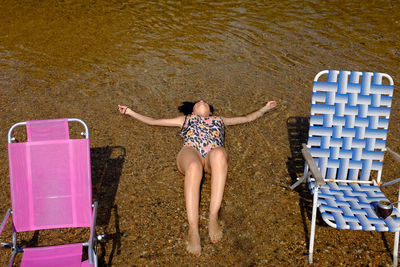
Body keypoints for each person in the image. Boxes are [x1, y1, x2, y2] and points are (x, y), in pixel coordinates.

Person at [118, 99, 277, 256]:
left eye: (205, 102)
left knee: (220, 154)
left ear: (211, 112)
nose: (201, 101)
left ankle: (213, 215)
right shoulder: (185, 119)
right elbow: (154, 121)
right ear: (193, 111)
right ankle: (193, 228)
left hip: (211, 157)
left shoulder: (219, 120)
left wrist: (265, 109)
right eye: (198, 103)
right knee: (194, 167)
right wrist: (129, 111)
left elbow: (247, 118)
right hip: (190, 153)